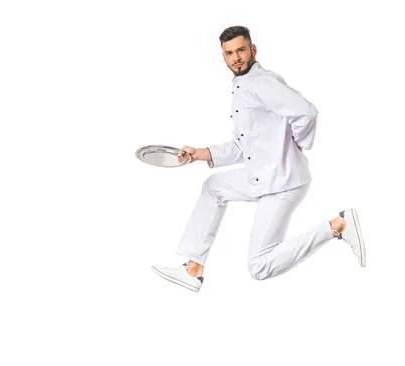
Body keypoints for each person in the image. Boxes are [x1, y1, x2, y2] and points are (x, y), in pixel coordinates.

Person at [151, 26, 366, 292]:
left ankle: (338, 225)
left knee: (260, 267)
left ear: (253, 50)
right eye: (229, 53)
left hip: (284, 182)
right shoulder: (242, 86)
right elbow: (243, 146)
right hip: (261, 174)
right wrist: (199, 153)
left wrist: (299, 143)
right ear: (223, 56)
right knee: (213, 187)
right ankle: (193, 269)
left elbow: (307, 113)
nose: (235, 58)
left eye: (240, 50)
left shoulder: (262, 82)